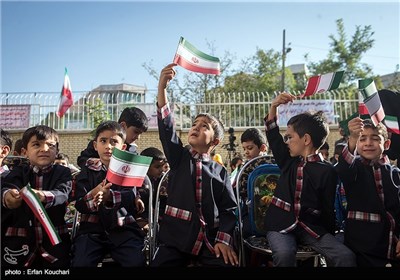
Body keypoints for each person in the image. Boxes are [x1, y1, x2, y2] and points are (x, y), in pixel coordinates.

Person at [151, 63, 238, 267]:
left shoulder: (220, 172)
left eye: (204, 126)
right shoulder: (179, 157)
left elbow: (229, 210)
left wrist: (224, 240)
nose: (196, 127)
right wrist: (162, 88)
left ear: (215, 142)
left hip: (209, 243)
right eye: (194, 124)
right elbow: (167, 129)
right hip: (174, 241)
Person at [263, 92, 356, 267]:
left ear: (306, 139)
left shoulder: (328, 171)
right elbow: (273, 135)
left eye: (290, 137)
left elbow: (327, 208)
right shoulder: (288, 160)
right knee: (284, 254)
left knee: (345, 256)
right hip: (280, 225)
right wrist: (274, 106)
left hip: (311, 229)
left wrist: (328, 236)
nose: (287, 141)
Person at [71, 120, 146, 267]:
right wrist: (94, 195)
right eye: (103, 141)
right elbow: (79, 204)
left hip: (123, 230)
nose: (108, 146)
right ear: (95, 145)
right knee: (81, 262)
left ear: (123, 147)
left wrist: (109, 197)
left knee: (135, 262)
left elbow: (130, 197)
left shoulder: (129, 170)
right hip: (91, 232)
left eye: (114, 142)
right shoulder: (87, 170)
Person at [1, 125, 72, 268]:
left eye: (50, 145)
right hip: (19, 244)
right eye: (36, 144)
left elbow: (63, 193)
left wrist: (44, 196)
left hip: (55, 243)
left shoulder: (63, 173)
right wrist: (8, 196)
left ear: (57, 150)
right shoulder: (17, 172)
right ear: (25, 152)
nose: (44, 149)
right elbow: (7, 188)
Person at [336, 117, 400, 267]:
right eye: (362, 139)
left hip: (392, 248)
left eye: (375, 138)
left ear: (387, 144)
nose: (368, 143)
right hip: (362, 250)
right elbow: (344, 166)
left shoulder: (395, 174)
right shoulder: (354, 169)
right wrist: (352, 137)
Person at [77, 106, 148, 168]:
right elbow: (82, 160)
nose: (138, 137)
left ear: (124, 147)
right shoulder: (100, 145)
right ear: (123, 126)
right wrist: (98, 163)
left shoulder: (132, 151)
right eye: (136, 132)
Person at [136, 147, 168, 230]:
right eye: (157, 167)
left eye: (162, 166)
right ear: (146, 166)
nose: (161, 170)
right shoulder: (136, 180)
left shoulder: (162, 181)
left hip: (156, 220)